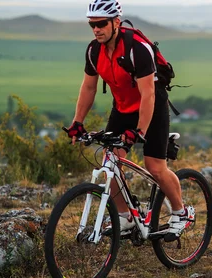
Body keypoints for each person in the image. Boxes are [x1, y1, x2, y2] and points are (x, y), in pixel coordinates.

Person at [66, 0, 193, 242]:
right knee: (110, 160)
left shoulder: (137, 48)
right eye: (91, 24)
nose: (96, 29)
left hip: (152, 108)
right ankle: (124, 216)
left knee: (155, 166)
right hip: (123, 109)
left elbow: (149, 94)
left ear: (116, 22)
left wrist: (139, 132)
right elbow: (89, 88)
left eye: (101, 23)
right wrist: (77, 123)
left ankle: (181, 212)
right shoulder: (94, 51)